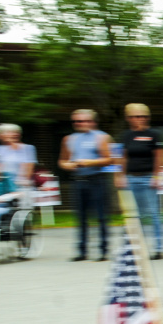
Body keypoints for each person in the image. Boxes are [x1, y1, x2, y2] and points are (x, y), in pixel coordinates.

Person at [59, 109, 112, 261]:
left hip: (97, 179)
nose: (79, 124)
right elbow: (62, 160)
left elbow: (110, 159)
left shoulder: (102, 137)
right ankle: (82, 251)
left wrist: (90, 162)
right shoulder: (69, 138)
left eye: (83, 120)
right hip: (78, 180)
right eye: (76, 121)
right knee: (80, 217)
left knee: (101, 216)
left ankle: (103, 250)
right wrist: (67, 165)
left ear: (93, 122)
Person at [115, 103, 163, 259]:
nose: (139, 119)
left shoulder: (154, 135)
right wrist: (119, 176)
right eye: (135, 116)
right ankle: (134, 247)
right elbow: (121, 157)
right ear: (128, 118)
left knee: (153, 214)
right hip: (131, 178)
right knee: (132, 214)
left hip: (148, 178)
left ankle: (159, 247)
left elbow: (160, 156)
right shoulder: (125, 136)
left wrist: (157, 176)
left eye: (142, 116)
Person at [0, 123, 37, 190]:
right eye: (8, 132)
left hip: (22, 187)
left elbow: (28, 172)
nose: (14, 134)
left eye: (16, 132)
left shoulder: (28, 148)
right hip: (2, 186)